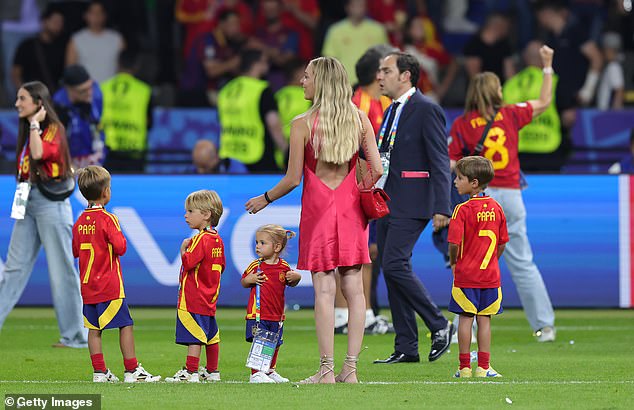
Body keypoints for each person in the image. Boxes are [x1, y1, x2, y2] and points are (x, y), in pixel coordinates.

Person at [245, 56, 382, 383]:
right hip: (351, 212)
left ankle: (325, 370)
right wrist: (356, 188)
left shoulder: (302, 123)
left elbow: (293, 178)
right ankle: (350, 369)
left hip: (318, 212)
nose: (302, 81)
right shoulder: (359, 119)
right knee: (355, 290)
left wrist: (265, 199)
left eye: (307, 77)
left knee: (323, 290)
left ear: (321, 82)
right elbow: (377, 169)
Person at [448, 45, 557, 342]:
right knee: (523, 262)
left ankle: (464, 328)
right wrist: (547, 65)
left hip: (481, 196)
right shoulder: (510, 114)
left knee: (470, 262)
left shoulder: (462, 124)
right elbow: (545, 101)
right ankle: (544, 325)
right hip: (511, 195)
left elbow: (452, 163)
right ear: (497, 91)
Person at [373, 51, 453, 365]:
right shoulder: (391, 110)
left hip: (412, 200)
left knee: (394, 264)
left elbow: (439, 161)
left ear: (406, 75)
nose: (380, 76)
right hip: (387, 199)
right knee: (390, 271)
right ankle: (406, 346)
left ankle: (439, 324)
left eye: (386, 70)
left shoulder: (426, 109)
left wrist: (441, 207)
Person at [0, 81, 87, 348]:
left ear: (39, 103)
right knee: (13, 269)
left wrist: (36, 124)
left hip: (51, 204)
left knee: (62, 271)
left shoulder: (52, 129)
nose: (17, 104)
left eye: (22, 99)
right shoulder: (29, 130)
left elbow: (38, 154)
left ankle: (75, 336)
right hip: (27, 199)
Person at [73, 166, 161, 383]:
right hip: (108, 285)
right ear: (105, 192)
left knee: (94, 330)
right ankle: (132, 370)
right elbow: (121, 247)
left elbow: (75, 251)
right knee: (125, 324)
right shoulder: (108, 219)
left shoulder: (79, 222)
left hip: (87, 287)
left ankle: (99, 372)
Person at [335, 45, 395, 335]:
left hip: (375, 184)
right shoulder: (358, 105)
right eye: (384, 68)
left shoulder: (381, 102)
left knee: (367, 252)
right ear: (375, 73)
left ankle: (363, 313)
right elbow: (360, 153)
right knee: (359, 252)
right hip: (361, 186)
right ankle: (350, 315)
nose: (387, 73)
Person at [448, 156, 508, 378]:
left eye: (459, 178)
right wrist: (493, 260)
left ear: (474, 182)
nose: (455, 181)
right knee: (485, 320)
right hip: (490, 275)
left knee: (466, 318)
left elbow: (453, 243)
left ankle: (464, 367)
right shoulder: (497, 208)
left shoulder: (462, 210)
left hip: (466, 275)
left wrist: (454, 261)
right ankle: (484, 367)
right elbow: (501, 243)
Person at [166, 190, 225, 383]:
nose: (186, 215)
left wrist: (184, 250)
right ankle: (212, 370)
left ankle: (190, 372)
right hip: (209, 297)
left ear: (206, 214)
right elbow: (221, 266)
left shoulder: (200, 238)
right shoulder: (217, 239)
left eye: (191, 211)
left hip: (193, 297)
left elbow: (190, 263)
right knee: (211, 335)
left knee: (195, 335)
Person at [241, 224, 302, 383]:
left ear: (276, 247)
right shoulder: (257, 266)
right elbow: (244, 281)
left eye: (262, 243)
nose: (257, 246)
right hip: (259, 313)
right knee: (260, 342)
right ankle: (256, 373)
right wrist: (251, 279)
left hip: (277, 314)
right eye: (257, 242)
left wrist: (296, 278)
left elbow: (291, 282)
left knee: (275, 343)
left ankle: (269, 370)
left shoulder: (284, 267)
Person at [217, 48, 288, 173]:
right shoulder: (261, 89)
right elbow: (273, 123)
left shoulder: (226, 90)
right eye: (265, 62)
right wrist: (286, 151)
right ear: (257, 64)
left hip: (230, 154)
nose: (268, 65)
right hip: (257, 156)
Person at [503, 40, 562, 171]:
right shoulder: (555, 81)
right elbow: (568, 115)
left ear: (525, 57)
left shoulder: (510, 84)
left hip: (519, 149)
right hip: (549, 147)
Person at [100, 50, 153, 173]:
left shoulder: (103, 87)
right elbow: (149, 122)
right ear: (137, 66)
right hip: (134, 152)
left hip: (108, 151)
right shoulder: (144, 90)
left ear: (118, 64)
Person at [321, 0, 389, 85]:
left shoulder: (378, 30)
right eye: (355, 5)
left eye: (362, 5)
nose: (359, 8)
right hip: (344, 84)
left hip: (372, 85)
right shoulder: (335, 30)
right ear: (347, 7)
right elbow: (329, 61)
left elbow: (386, 58)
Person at [53, 64, 105, 168]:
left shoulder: (97, 95)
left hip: (93, 158)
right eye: (83, 91)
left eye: (90, 87)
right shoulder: (58, 105)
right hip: (69, 162)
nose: (89, 93)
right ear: (69, 89)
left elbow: (98, 127)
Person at [65, 0, 125, 84]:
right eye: (92, 13)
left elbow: (124, 68)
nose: (97, 16)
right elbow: (70, 70)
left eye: (100, 12)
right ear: (85, 15)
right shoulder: (76, 39)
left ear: (105, 15)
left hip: (112, 92)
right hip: (87, 93)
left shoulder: (117, 38)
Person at [11, 5, 67, 94]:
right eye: (55, 21)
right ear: (44, 22)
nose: (58, 25)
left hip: (53, 98)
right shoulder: (27, 46)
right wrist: (24, 94)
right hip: (31, 97)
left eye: (61, 22)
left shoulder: (63, 46)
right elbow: (16, 73)